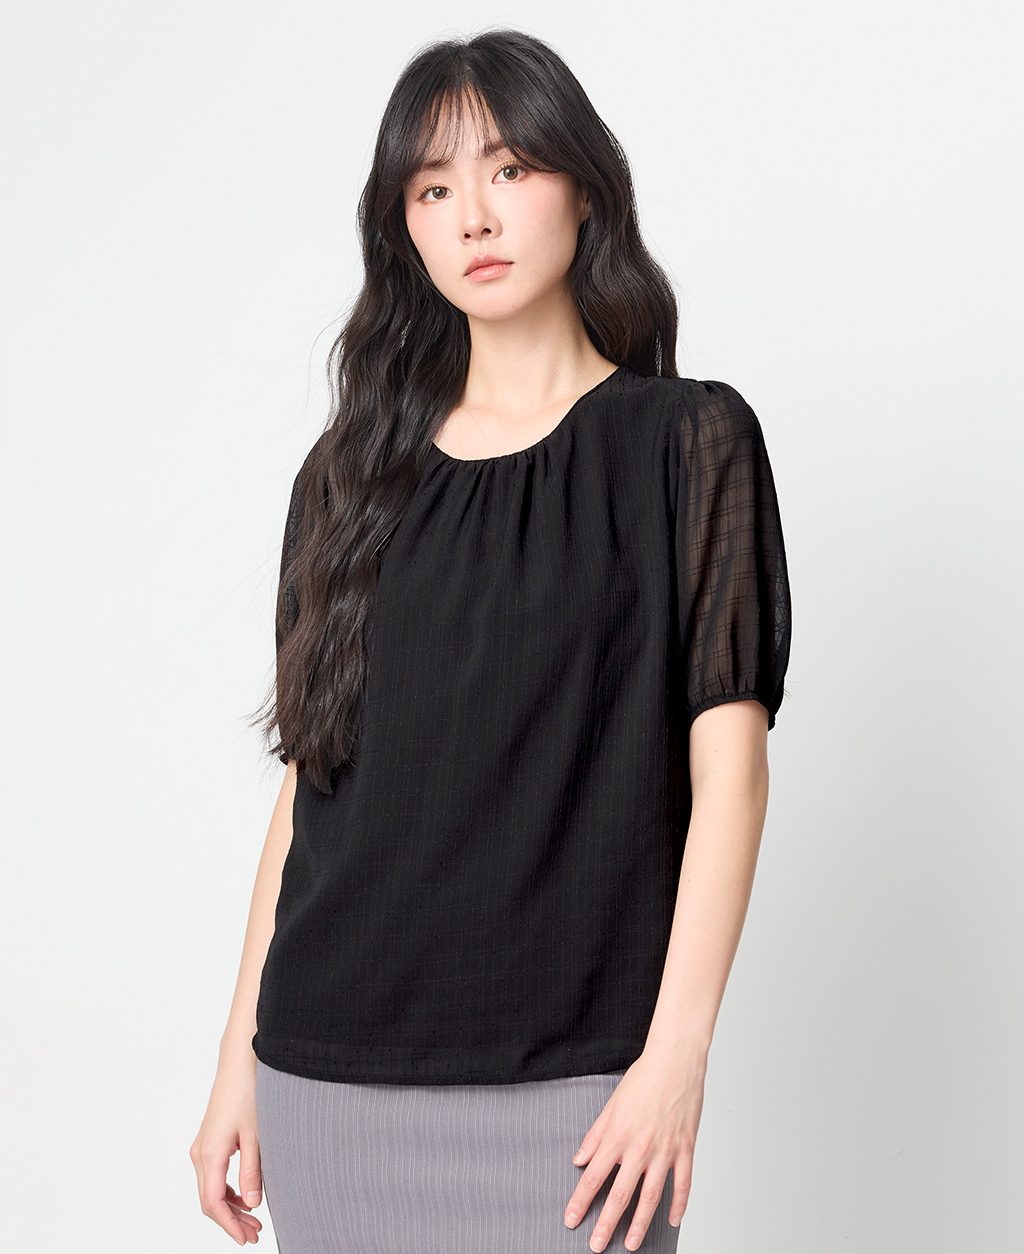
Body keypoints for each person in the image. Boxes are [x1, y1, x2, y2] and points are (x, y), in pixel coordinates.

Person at [190, 26, 792, 1254]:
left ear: (584, 188)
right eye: (432, 189)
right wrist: (236, 1059)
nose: (473, 215)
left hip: (584, 1087)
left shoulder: (687, 444)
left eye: (509, 169)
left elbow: (729, 774)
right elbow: (312, 786)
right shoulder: (347, 478)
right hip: (330, 1073)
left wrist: (674, 1059)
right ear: (402, 230)